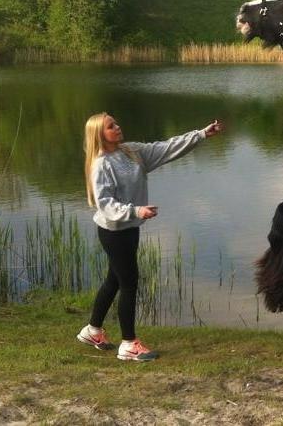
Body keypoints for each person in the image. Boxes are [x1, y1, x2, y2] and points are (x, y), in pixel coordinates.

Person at [76, 112, 224, 361]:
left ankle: (92, 331)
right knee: (129, 283)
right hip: (114, 232)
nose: (118, 126)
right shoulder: (101, 164)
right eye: (111, 126)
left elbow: (166, 148)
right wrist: (136, 210)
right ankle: (129, 345)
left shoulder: (131, 152)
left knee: (114, 280)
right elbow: (105, 204)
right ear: (99, 135)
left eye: (116, 122)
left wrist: (200, 135)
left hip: (129, 228)